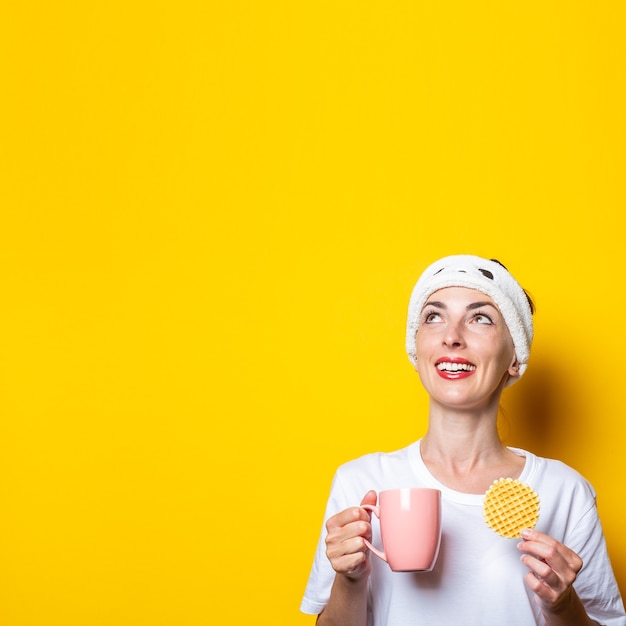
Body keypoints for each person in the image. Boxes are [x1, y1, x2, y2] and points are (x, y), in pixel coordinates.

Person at [300, 255, 626, 626]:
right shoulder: (360, 483)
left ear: (515, 359)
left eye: (480, 318)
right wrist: (350, 578)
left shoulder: (565, 492)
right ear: (417, 349)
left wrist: (561, 604)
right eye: (433, 316)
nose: (451, 336)